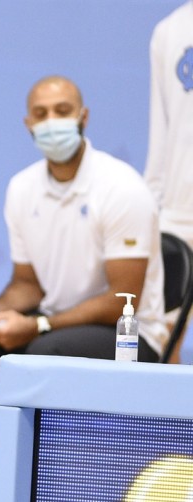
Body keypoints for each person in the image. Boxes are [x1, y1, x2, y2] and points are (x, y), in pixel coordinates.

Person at [0, 75, 167, 365]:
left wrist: (39, 326)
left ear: (84, 117)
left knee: (43, 355)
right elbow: (28, 285)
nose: (52, 122)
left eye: (62, 111)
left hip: (128, 333)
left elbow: (121, 301)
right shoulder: (21, 188)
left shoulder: (122, 188)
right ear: (28, 124)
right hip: (53, 322)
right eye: (41, 114)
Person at [144, 2, 193, 363]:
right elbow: (161, 131)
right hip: (180, 214)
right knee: (162, 343)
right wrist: (151, 210)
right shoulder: (171, 29)